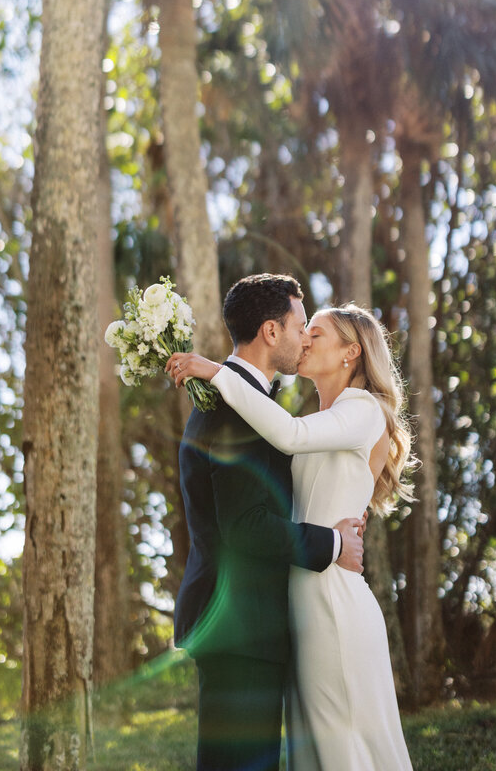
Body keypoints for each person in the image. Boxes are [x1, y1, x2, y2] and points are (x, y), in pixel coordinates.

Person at [168, 302, 415, 771]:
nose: (303, 341)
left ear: (351, 353)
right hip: (295, 606)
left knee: (345, 749)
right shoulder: (320, 414)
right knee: (312, 752)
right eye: (304, 330)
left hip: (332, 604)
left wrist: (218, 373)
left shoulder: (363, 410)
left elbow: (292, 436)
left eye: (314, 334)